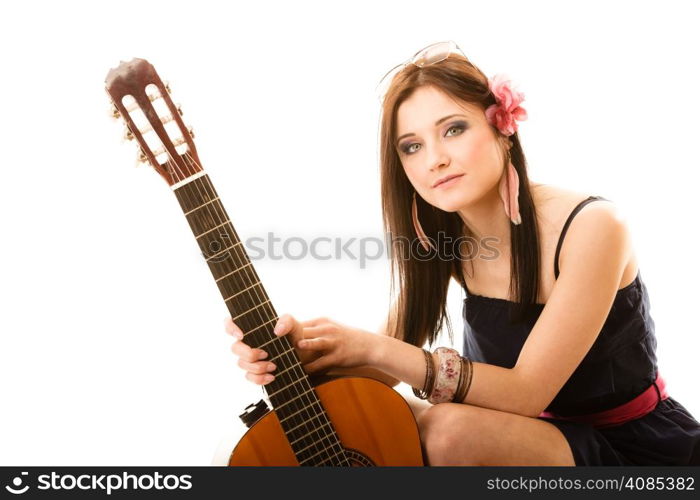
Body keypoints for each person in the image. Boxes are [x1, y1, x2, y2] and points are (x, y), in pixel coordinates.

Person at [225, 41, 700, 466]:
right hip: (515, 434)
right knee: (371, 422)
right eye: (411, 146)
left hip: (625, 449)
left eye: (453, 129)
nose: (434, 159)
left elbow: (526, 392)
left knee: (444, 431)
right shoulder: (442, 234)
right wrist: (301, 353)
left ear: (501, 127)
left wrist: (373, 346)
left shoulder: (594, 227)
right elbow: (379, 369)